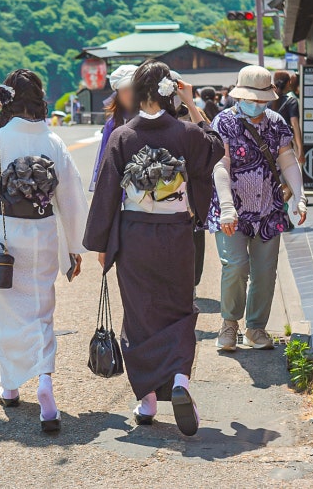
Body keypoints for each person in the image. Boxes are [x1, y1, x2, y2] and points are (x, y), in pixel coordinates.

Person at [85, 61, 224, 436]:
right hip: (176, 233)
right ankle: (180, 380)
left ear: (137, 91)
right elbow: (216, 148)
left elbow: (106, 192)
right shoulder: (186, 133)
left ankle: (146, 400)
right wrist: (192, 104)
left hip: (134, 235)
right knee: (178, 308)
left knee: (140, 313)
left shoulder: (123, 137)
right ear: (169, 90)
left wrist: (101, 243)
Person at [0, 70, 89, 433]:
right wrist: (74, 248)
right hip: (43, 233)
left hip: (4, 234)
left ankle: (10, 384)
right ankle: (45, 381)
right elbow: (72, 199)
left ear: (5, 100)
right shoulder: (53, 142)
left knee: (7, 310)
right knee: (41, 309)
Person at [208, 65, 307, 352]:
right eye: (252, 99)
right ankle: (229, 324)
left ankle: (256, 328)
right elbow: (221, 164)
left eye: (262, 99)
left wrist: (299, 195)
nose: (257, 105)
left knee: (265, 271)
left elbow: (287, 160)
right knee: (235, 266)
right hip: (231, 210)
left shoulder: (277, 123)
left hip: (268, 208)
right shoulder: (223, 122)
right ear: (240, 96)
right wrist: (226, 206)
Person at [269, 71, 302, 159]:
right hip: (286, 146)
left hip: (268, 145)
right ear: (288, 83)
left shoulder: (267, 100)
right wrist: (300, 149)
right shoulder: (291, 101)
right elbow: (295, 124)